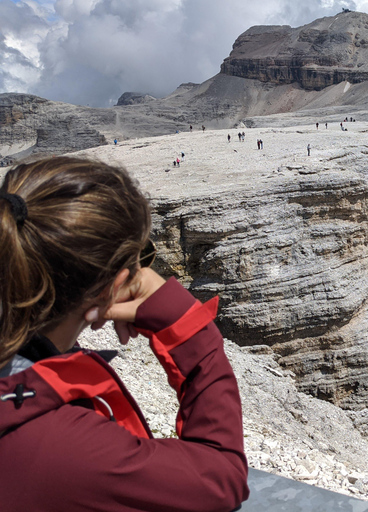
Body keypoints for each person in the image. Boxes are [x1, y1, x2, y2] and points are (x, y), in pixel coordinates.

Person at [0, 157, 249, 511]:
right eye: (142, 257)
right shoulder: (69, 448)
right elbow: (221, 477)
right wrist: (186, 326)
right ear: (113, 286)